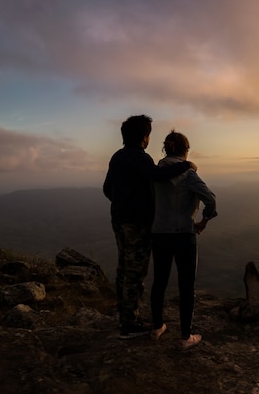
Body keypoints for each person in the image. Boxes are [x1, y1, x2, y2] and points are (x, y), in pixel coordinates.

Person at [103, 115, 196, 339]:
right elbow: (158, 174)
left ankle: (124, 316)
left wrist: (122, 202)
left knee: (123, 269)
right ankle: (129, 325)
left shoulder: (117, 157)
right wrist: (186, 165)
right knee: (135, 272)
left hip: (119, 221)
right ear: (144, 137)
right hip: (137, 224)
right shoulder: (140, 158)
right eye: (148, 135)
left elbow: (107, 189)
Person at [150, 130, 217, 350]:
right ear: (185, 151)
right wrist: (203, 221)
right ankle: (186, 336)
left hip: (159, 233)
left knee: (159, 281)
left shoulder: (154, 172)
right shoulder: (188, 175)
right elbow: (211, 199)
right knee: (186, 286)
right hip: (183, 235)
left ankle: (157, 326)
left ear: (165, 149)